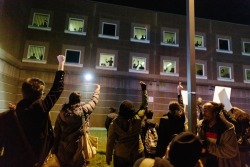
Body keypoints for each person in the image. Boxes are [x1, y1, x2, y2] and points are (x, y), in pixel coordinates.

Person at [13, 55, 65, 166]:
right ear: (39, 94)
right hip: (36, 156)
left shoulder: (18, 109)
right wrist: (61, 63)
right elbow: (58, 87)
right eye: (43, 93)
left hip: (18, 156)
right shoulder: (41, 107)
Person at [52, 85, 100, 167]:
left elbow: (56, 133)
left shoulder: (62, 114)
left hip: (63, 149)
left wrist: (54, 150)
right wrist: (97, 90)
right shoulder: (84, 110)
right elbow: (94, 101)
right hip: (78, 149)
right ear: (79, 100)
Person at [106, 81, 148, 167]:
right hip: (138, 152)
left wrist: (108, 157)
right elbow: (144, 105)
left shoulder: (114, 124)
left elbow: (110, 141)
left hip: (121, 155)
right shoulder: (138, 118)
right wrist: (144, 89)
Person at [197, 101, 241, 167]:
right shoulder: (201, 125)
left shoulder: (227, 129)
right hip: (207, 163)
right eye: (203, 110)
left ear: (215, 113)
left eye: (206, 111)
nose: (203, 113)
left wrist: (208, 146)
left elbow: (230, 152)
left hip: (223, 163)